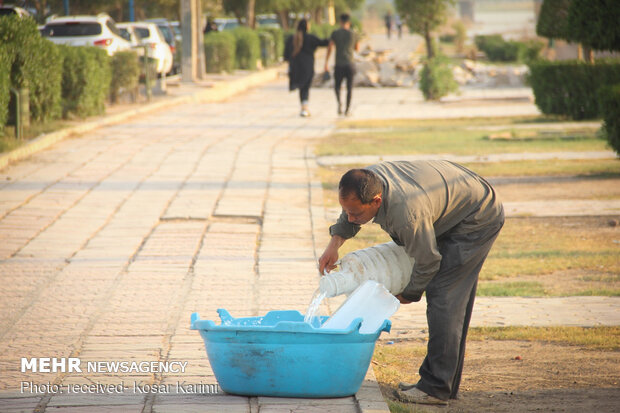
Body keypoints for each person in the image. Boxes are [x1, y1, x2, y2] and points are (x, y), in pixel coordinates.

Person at [319, 160, 504, 406]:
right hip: (456, 205)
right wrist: (334, 243)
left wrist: (409, 293)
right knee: (452, 300)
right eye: (347, 211)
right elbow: (352, 209)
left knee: (444, 297)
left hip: (477, 217)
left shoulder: (406, 213)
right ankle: (443, 383)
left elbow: (427, 260)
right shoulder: (365, 182)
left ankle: (436, 388)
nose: (352, 218)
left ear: (377, 201)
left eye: (357, 214)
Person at [283, 19, 328, 117]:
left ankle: (304, 107)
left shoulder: (291, 38)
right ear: (307, 26)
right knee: (305, 87)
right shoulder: (310, 38)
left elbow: (286, 56)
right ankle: (304, 108)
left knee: (302, 88)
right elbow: (323, 43)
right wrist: (333, 38)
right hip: (307, 67)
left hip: (295, 67)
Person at [324, 13, 359, 116]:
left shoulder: (335, 33)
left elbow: (330, 47)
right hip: (350, 64)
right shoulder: (353, 33)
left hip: (339, 64)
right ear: (349, 22)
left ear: (340, 21)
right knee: (349, 88)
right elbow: (357, 48)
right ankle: (347, 109)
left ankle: (339, 104)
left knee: (337, 87)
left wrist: (326, 62)